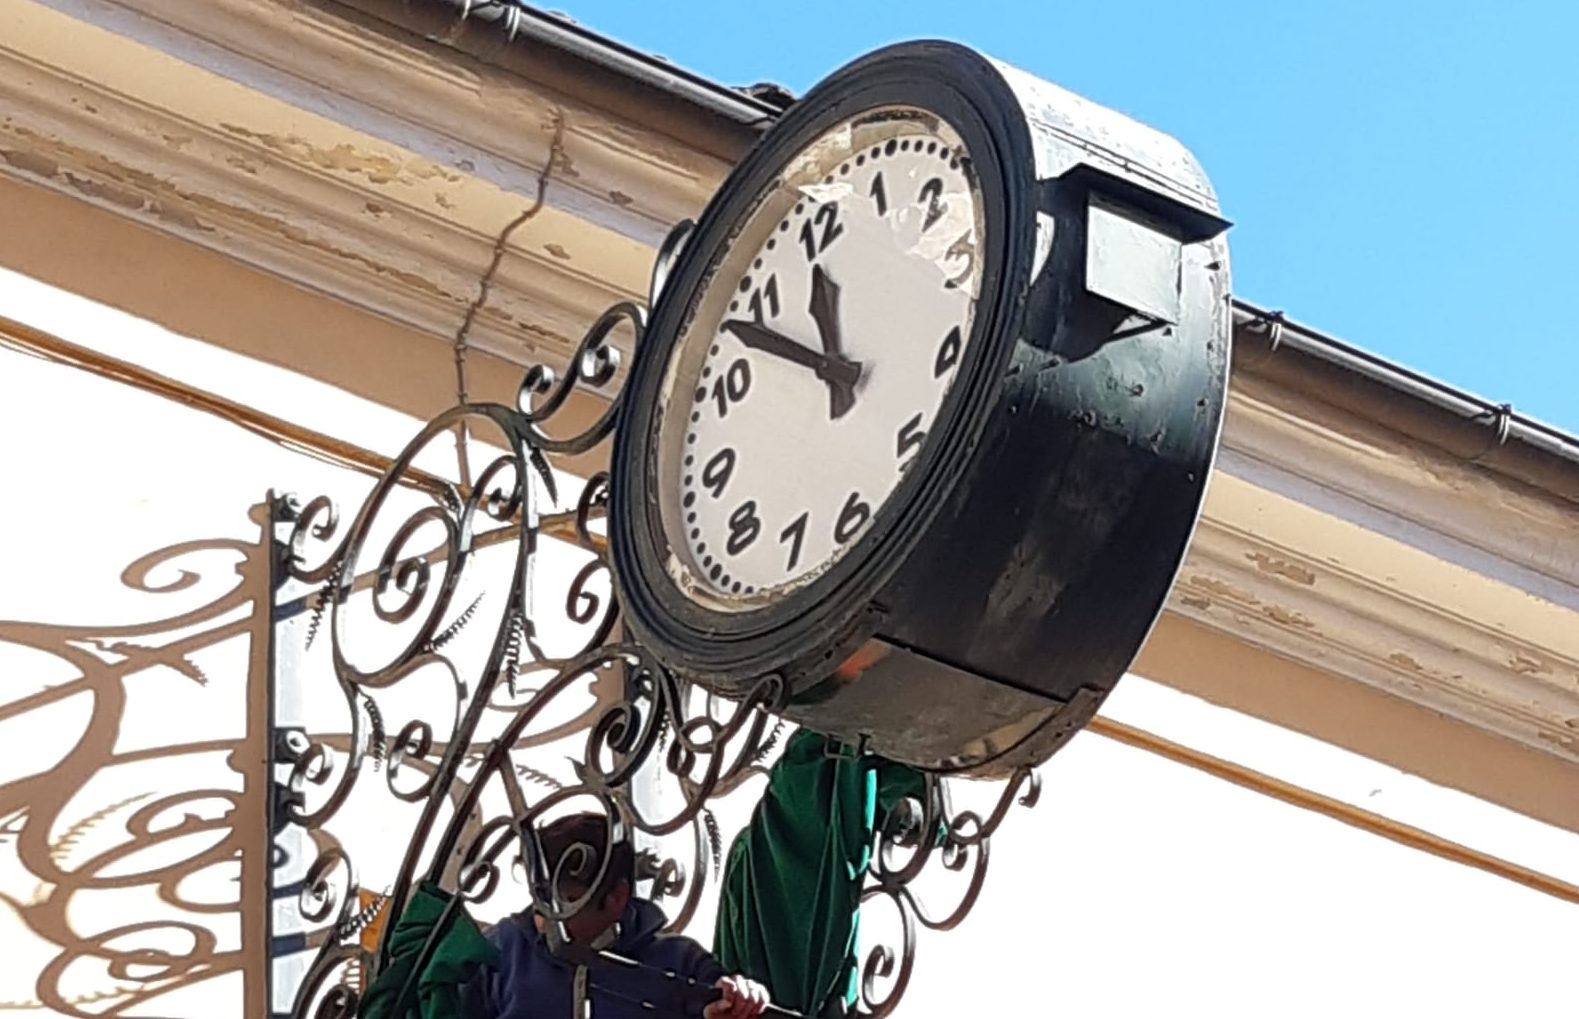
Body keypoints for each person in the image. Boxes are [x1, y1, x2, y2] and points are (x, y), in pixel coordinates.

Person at [464, 812, 771, 1019]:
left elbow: (728, 1003)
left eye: (568, 901)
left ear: (617, 897)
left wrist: (742, 999)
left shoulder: (680, 963)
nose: (544, 918)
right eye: (540, 897)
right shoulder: (499, 951)